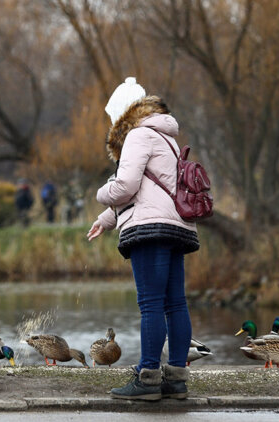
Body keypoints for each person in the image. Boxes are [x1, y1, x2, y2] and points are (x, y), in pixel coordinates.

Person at [87, 77, 199, 401]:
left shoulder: (137, 135)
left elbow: (125, 187)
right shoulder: (167, 139)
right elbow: (151, 193)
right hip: (176, 228)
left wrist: (100, 193)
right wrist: (107, 220)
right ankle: (176, 378)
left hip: (149, 232)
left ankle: (148, 377)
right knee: (175, 303)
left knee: (150, 304)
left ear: (124, 114)